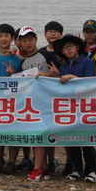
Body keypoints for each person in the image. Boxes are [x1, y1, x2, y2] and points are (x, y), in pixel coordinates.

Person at [15, 26, 60, 181]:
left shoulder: (46, 55)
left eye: (30, 39)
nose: (28, 43)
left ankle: (38, 168)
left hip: (47, 101)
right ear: (19, 42)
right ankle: (43, 167)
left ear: (36, 39)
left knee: (40, 134)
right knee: (37, 133)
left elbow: (59, 76)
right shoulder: (23, 62)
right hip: (32, 104)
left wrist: (49, 74)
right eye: (24, 40)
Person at [56, 34, 96, 183]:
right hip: (69, 107)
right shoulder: (63, 67)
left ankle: (94, 170)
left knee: (86, 139)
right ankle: (77, 169)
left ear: (77, 48)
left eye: (71, 46)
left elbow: (89, 83)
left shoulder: (87, 63)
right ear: (62, 51)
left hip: (85, 106)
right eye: (65, 47)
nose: (68, 49)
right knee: (72, 139)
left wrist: (70, 77)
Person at [0, 23, 23, 176]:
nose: (3, 39)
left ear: (12, 38)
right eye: (0, 36)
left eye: (6, 35)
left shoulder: (19, 58)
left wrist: (13, 74)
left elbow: (24, 80)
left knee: (13, 129)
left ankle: (11, 162)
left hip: (14, 100)